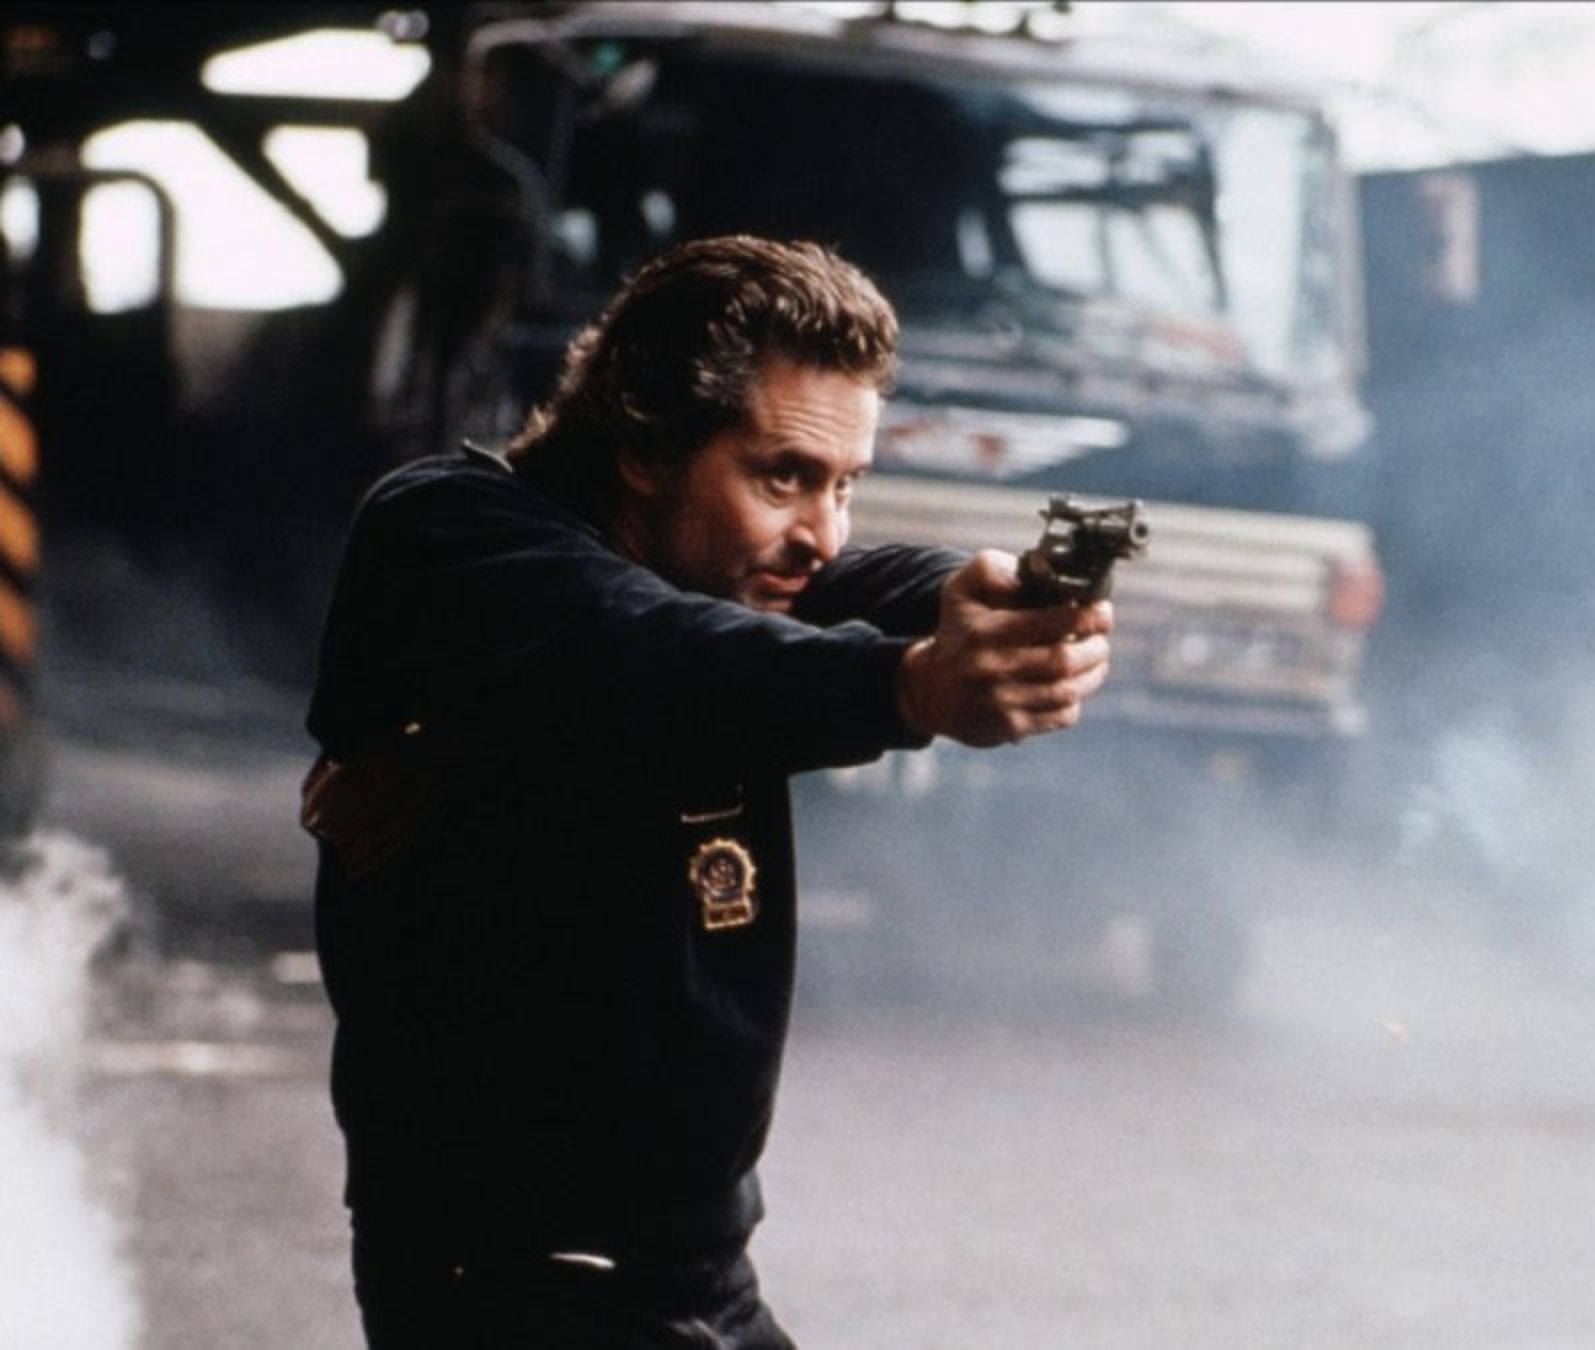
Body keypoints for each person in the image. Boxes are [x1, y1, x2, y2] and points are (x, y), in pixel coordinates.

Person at [301, 236, 1112, 1347]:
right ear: (644, 444)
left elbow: (859, 582)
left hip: (695, 1275)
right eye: (784, 477)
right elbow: (658, 651)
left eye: (845, 485)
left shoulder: (721, 573)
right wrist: (912, 686)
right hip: (508, 1280)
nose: (820, 533)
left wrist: (1002, 602)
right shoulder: (450, 543)